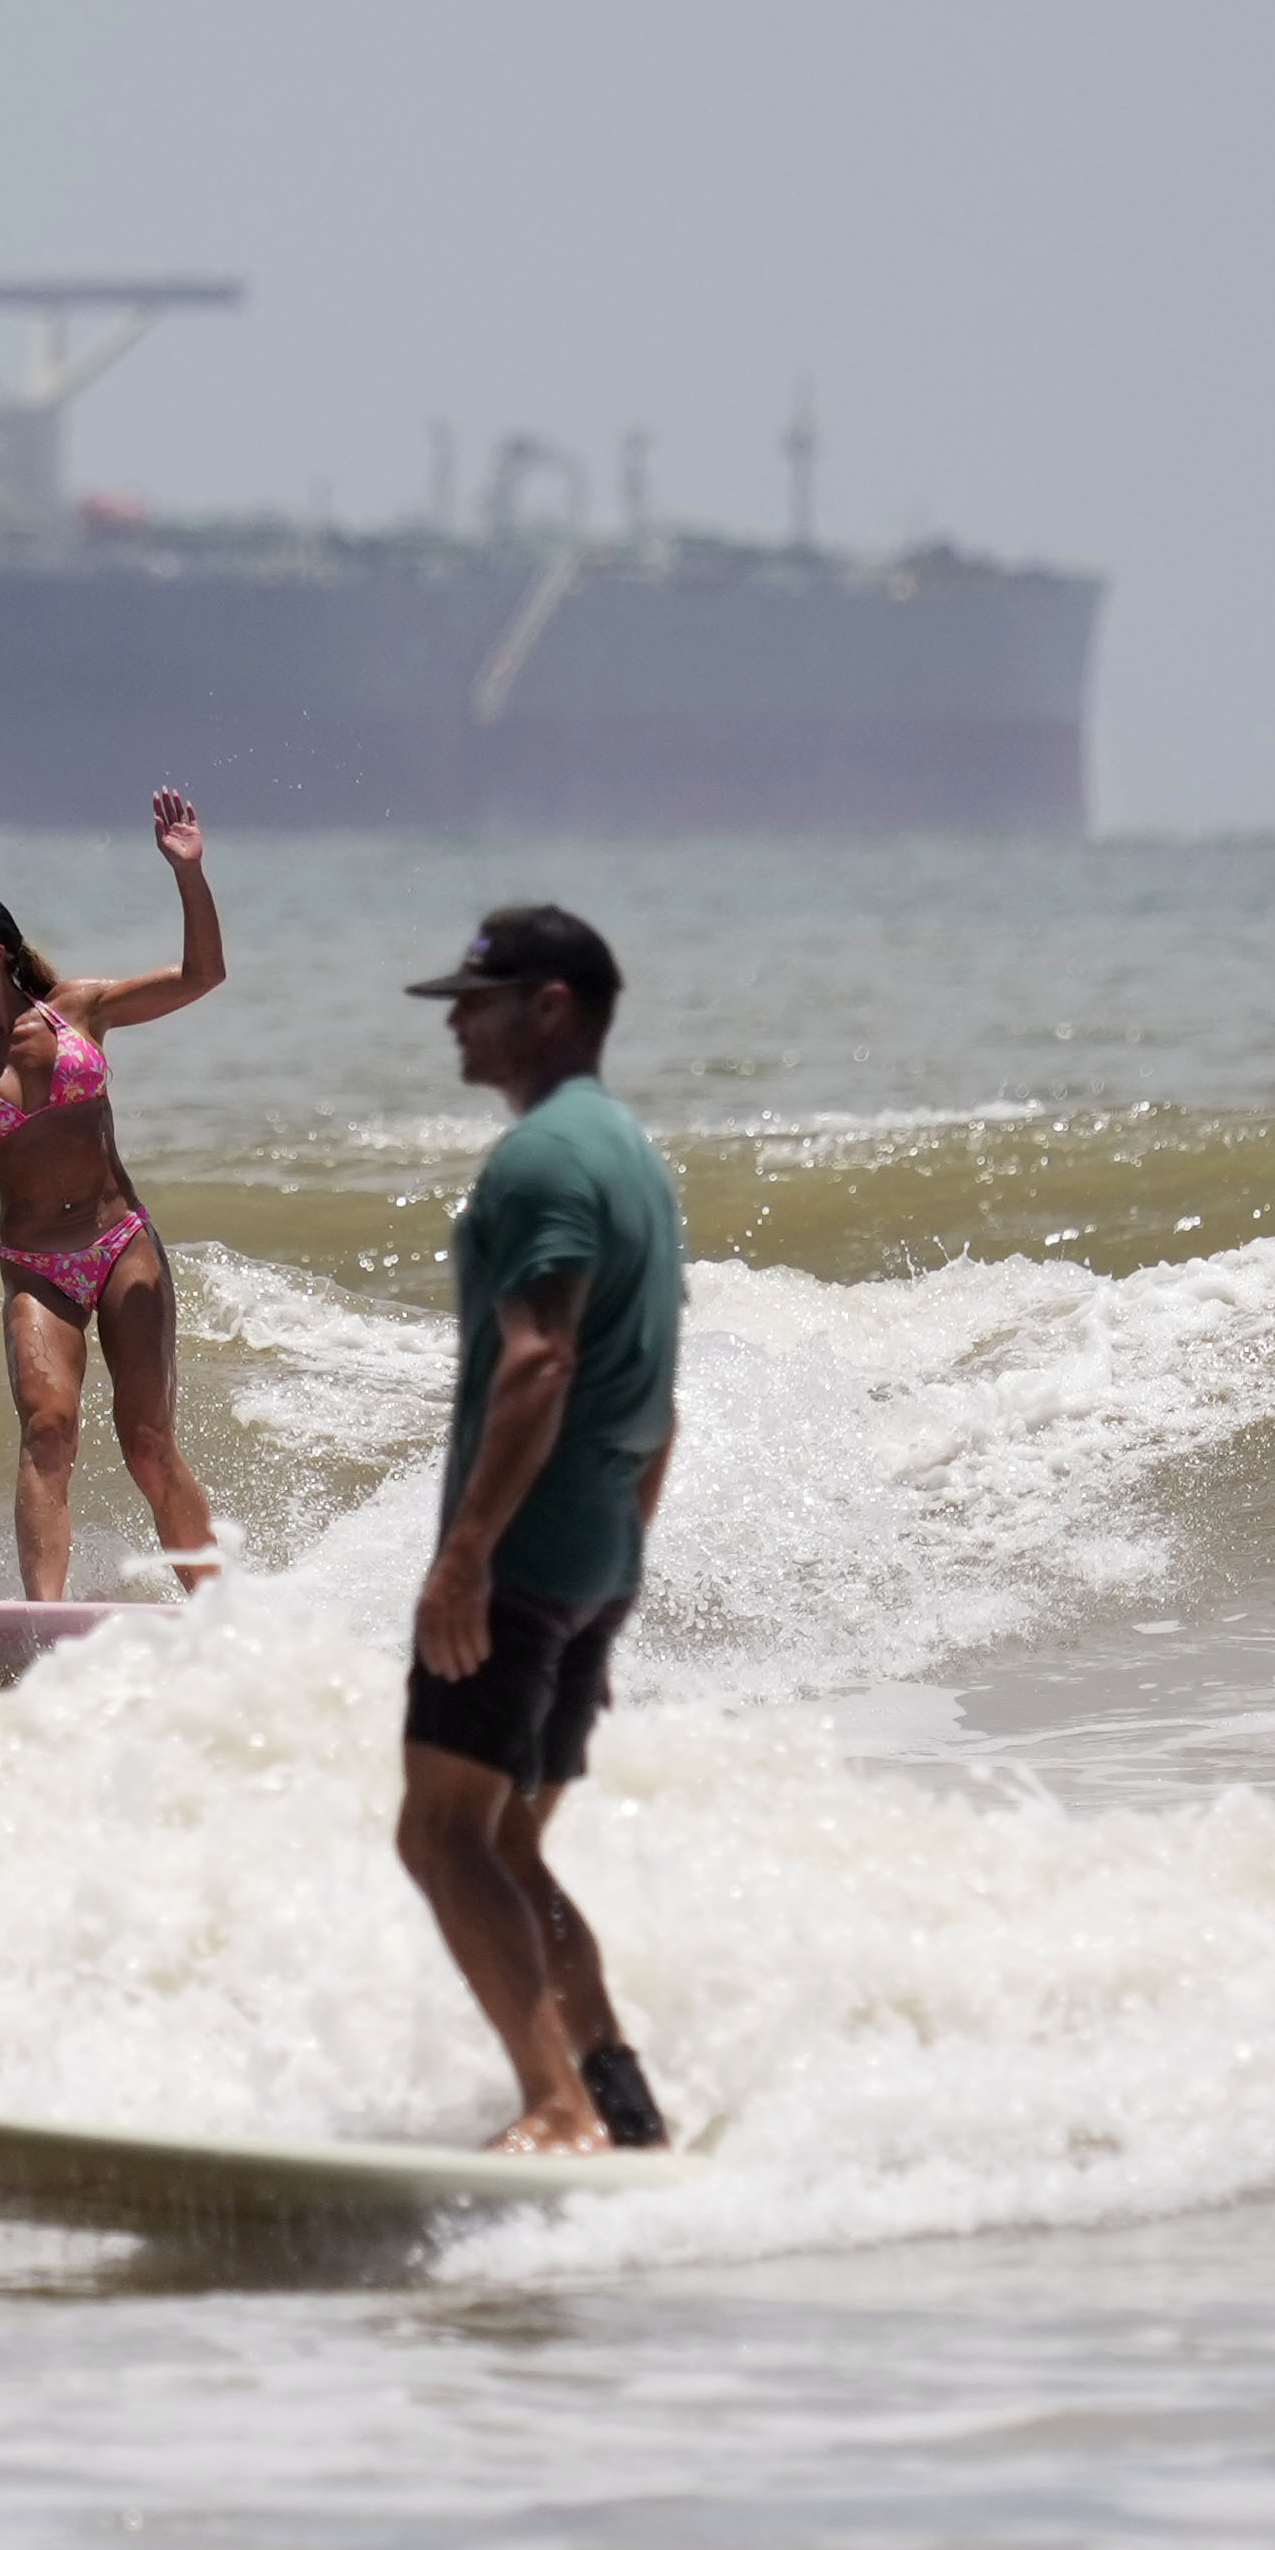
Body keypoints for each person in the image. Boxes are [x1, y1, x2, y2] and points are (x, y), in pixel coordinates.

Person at [394, 905, 685, 2155]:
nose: (456, 1019)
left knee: (440, 1831)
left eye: (478, 996)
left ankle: (554, 2107)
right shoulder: (628, 1155)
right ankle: (617, 2097)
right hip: (592, 1552)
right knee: (509, 1837)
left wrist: (464, 1558)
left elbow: (539, 1364)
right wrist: (608, 1585)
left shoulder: (541, 1163)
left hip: (522, 1554)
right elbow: (654, 1393)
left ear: (551, 1007)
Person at [0, 789, 226, 1598]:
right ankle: (40, 1628)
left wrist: (188, 874)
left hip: (120, 1247)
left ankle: (217, 1608)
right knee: (47, 1430)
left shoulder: (81, 1011)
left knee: (146, 1442)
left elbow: (203, 975)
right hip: (36, 1266)